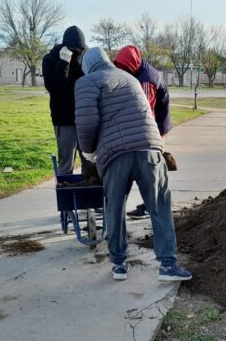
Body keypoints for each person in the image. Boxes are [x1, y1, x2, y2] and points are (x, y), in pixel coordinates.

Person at [75, 47, 192, 282]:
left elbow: (87, 122)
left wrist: (88, 153)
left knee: (115, 208)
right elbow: (147, 110)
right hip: (149, 147)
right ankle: (168, 266)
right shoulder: (130, 78)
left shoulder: (86, 82)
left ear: (87, 66)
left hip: (116, 154)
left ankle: (119, 264)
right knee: (159, 205)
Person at [114, 45, 173, 220]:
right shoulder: (139, 72)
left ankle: (150, 205)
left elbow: (146, 112)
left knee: (151, 168)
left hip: (156, 126)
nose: (121, 71)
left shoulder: (147, 79)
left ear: (131, 65)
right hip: (152, 124)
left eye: (123, 68)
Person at [42, 26, 89, 176]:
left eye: (80, 50)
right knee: (66, 162)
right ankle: (66, 196)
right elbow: (55, 87)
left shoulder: (85, 58)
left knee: (89, 162)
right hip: (63, 118)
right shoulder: (51, 59)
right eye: (75, 50)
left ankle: (88, 197)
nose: (78, 53)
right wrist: (63, 63)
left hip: (84, 117)